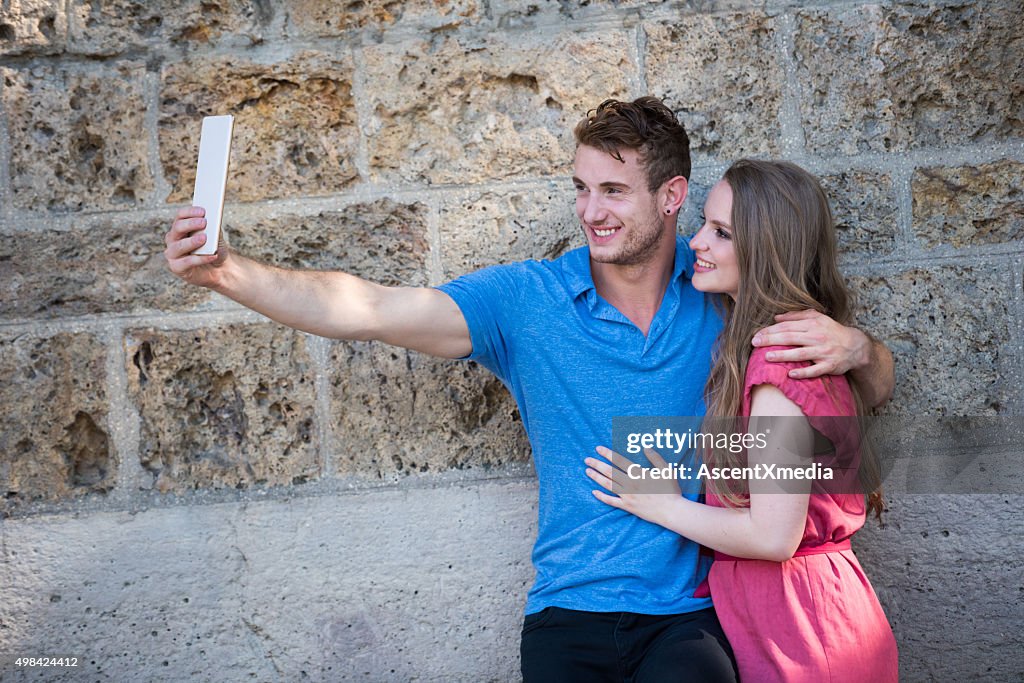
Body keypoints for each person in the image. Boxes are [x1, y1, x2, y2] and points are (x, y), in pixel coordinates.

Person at [164, 97, 895, 682]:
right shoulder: (529, 301)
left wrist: (862, 346)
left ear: (673, 196)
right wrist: (227, 272)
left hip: (691, 618)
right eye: (581, 188)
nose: (590, 210)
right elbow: (370, 309)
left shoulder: (721, 295)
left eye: (613, 190)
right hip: (566, 616)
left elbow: (847, 400)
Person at [585, 159, 899, 682]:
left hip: (804, 631)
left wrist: (661, 504)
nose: (697, 243)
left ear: (766, 249)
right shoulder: (775, 344)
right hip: (798, 616)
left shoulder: (778, 364)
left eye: (722, 232)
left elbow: (774, 536)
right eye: (705, 223)